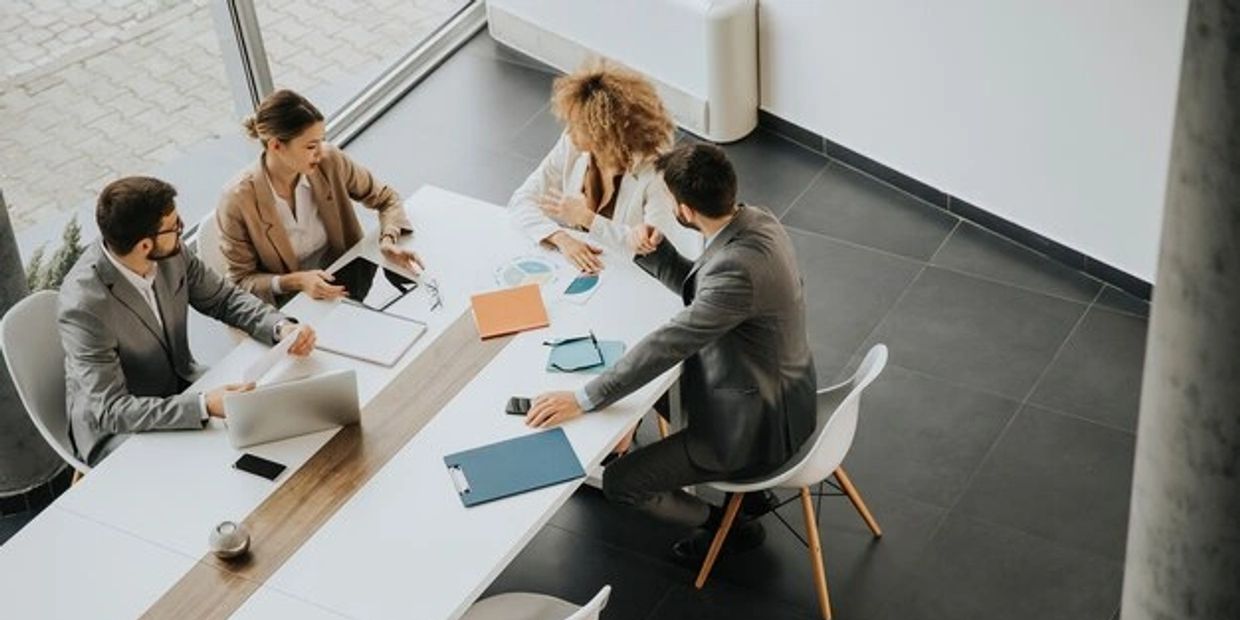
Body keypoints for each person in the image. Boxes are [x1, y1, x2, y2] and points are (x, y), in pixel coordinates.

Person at [525, 144, 817, 559]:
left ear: (684, 210)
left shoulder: (736, 271)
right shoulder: (757, 221)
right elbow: (707, 291)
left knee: (621, 483)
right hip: (783, 393)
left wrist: (583, 398)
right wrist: (657, 252)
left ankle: (726, 526)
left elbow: (670, 342)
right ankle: (737, 500)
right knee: (649, 385)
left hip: (753, 431)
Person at [59, 176, 316, 466]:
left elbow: (224, 299)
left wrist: (279, 327)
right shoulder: (84, 306)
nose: (181, 232)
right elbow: (113, 410)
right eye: (175, 226)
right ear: (145, 245)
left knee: (273, 429)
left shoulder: (171, 252)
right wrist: (202, 405)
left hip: (181, 385)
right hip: (118, 430)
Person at [216, 89, 421, 305]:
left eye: (321, 141)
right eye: (311, 146)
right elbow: (241, 281)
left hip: (351, 285)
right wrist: (294, 282)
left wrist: (388, 240)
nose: (320, 152)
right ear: (276, 145)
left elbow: (386, 198)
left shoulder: (329, 161)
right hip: (293, 306)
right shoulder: (237, 200)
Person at [509, 61, 702, 274]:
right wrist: (562, 239)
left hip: (635, 273)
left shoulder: (656, 174)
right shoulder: (572, 144)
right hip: (591, 268)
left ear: (604, 134)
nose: (569, 131)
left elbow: (659, 249)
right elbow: (521, 200)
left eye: (578, 126)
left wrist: (587, 219)